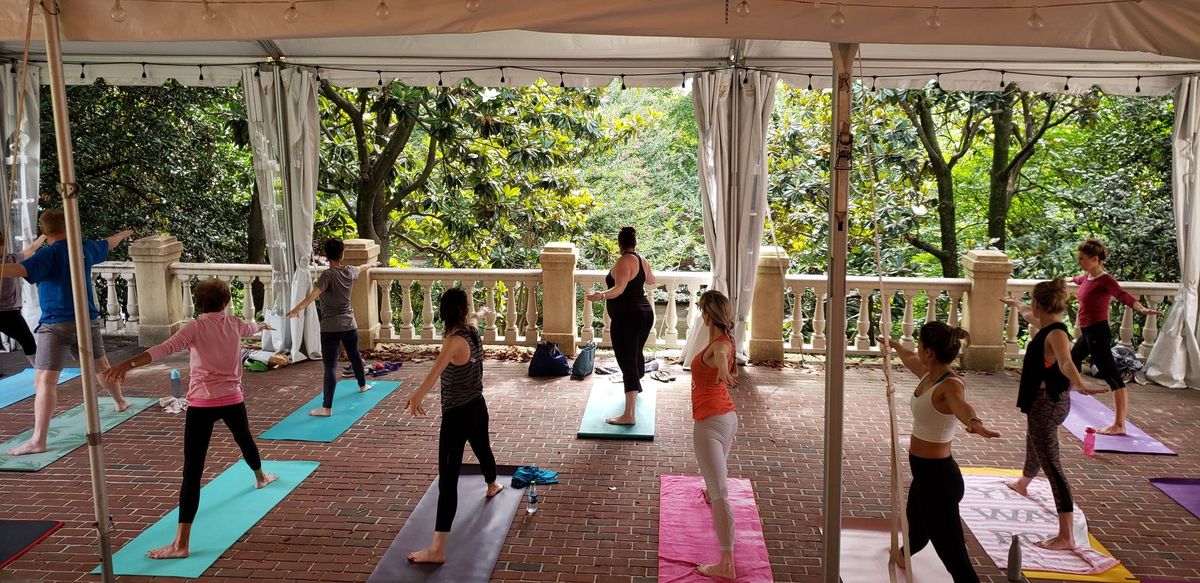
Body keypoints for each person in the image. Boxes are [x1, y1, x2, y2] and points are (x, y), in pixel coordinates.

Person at [104, 278, 276, 559]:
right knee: (244, 439)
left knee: (192, 473)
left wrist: (129, 363)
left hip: (203, 404)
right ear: (226, 302)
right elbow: (251, 327)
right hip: (232, 399)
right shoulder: (233, 324)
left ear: (199, 303)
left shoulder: (195, 327)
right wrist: (263, 326)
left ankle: (181, 544)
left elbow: (163, 349)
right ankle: (260, 477)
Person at [1, 210, 133, 456]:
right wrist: (124, 234)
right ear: (70, 225)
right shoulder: (84, 248)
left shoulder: (49, 254)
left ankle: (38, 440)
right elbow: (109, 242)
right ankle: (120, 402)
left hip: (57, 324)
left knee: (44, 380)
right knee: (101, 366)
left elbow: (18, 270)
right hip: (86, 320)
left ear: (45, 231)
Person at [882, 323, 1000, 583]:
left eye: (919, 345)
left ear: (929, 352)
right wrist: (895, 346)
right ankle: (903, 556)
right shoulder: (928, 374)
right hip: (924, 477)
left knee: (957, 562)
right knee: (917, 533)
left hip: (939, 482)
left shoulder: (950, 385)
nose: (916, 350)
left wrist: (975, 422)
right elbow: (910, 358)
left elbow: (962, 406)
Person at [1002, 279, 1109, 550]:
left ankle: (1066, 536)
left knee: (1052, 465)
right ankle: (1023, 483)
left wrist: (1082, 383)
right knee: (1034, 441)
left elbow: (1065, 362)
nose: (1030, 308)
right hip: (1043, 402)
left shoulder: (1056, 333)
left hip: (1048, 403)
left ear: (1040, 303)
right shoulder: (1048, 324)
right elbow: (1028, 313)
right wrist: (1017, 304)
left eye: (1032, 302)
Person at [404, 288, 502, 565]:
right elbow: (474, 318)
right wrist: (481, 312)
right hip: (477, 406)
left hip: (457, 415)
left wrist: (416, 396)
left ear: (443, 312)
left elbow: (434, 371)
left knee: (448, 479)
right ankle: (492, 484)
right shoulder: (471, 332)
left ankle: (437, 549)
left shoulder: (454, 341)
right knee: (482, 448)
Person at [1070, 239, 1160, 435]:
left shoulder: (1106, 280)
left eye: (1082, 259)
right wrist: (1067, 280)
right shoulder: (1087, 276)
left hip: (1097, 332)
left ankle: (1119, 425)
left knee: (1112, 377)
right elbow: (1078, 279)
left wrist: (1141, 308)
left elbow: (1122, 295)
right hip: (1086, 332)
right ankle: (1066, 397)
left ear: (1095, 259)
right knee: (1073, 358)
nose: (1080, 262)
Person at [286, 239, 378, 417]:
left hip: (330, 328)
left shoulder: (328, 275)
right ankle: (363, 385)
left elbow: (314, 294)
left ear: (327, 256)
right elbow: (362, 268)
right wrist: (372, 263)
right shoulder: (350, 271)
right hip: (350, 324)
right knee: (355, 356)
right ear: (342, 254)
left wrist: (298, 308)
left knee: (330, 366)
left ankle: (326, 408)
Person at [689, 290, 741, 579]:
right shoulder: (726, 339)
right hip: (728, 418)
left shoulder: (720, 346)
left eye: (700, 310)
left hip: (710, 422)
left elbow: (720, 356)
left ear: (707, 315)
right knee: (716, 483)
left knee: (722, 494)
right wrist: (721, 367)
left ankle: (727, 563)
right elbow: (721, 352)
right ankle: (710, 489)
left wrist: (722, 368)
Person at [584, 226, 655, 425]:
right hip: (645, 314)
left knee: (627, 362)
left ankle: (629, 415)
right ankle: (636, 388)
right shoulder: (642, 260)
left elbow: (619, 289)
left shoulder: (624, 260)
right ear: (635, 243)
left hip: (628, 317)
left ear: (619, 243)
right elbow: (651, 281)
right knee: (635, 354)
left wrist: (601, 295)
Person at [0, 232, 46, 367]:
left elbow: (30, 250)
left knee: (27, 341)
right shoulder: (10, 260)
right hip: (8, 313)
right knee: (28, 342)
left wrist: (44, 235)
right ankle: (40, 370)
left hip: (9, 312)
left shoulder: (10, 259)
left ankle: (40, 370)